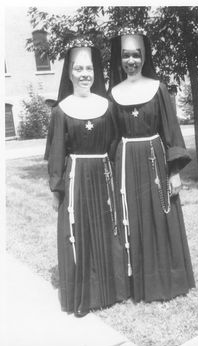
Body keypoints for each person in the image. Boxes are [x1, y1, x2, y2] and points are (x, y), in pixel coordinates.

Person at [108, 28, 195, 303]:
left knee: (160, 216)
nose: (131, 60)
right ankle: (137, 283)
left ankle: (167, 279)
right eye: (126, 55)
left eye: (136, 54)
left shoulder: (158, 89)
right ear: (119, 59)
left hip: (154, 158)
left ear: (144, 57)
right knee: (132, 217)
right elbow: (110, 136)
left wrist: (175, 172)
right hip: (126, 163)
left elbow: (171, 131)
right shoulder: (113, 94)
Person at [44, 38, 128, 317]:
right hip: (77, 177)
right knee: (78, 232)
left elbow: (114, 144)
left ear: (95, 72)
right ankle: (86, 293)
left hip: (103, 175)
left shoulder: (106, 106)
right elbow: (56, 153)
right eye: (78, 69)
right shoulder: (61, 110)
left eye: (89, 69)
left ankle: (110, 290)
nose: (84, 74)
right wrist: (56, 190)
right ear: (69, 73)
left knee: (106, 228)